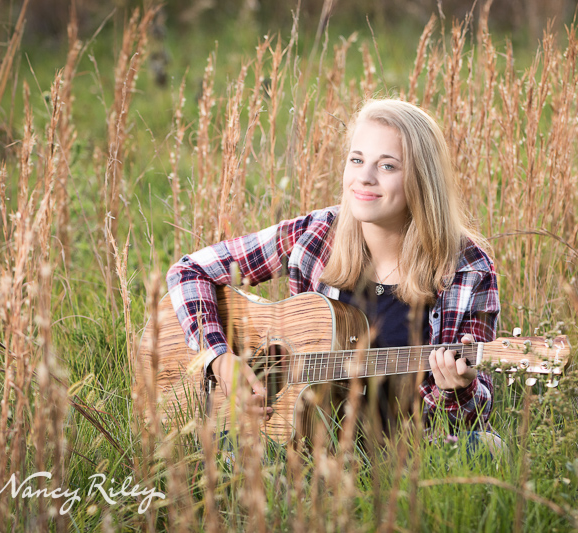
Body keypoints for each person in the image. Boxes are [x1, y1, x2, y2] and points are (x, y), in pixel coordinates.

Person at [166, 98, 501, 448]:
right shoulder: (316, 234)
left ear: (422, 178)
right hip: (306, 444)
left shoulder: (466, 266)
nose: (364, 178)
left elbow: (470, 416)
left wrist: (459, 389)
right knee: (241, 448)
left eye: (387, 166)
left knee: (488, 448)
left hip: (407, 447)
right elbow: (190, 271)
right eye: (356, 160)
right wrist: (219, 358)